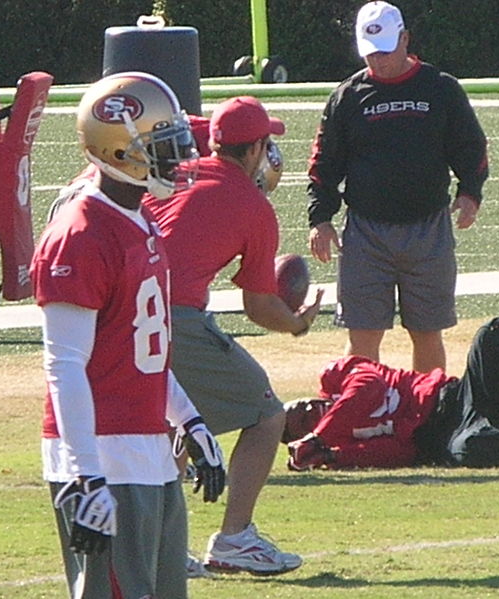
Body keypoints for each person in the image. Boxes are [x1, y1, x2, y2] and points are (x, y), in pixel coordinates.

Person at [31, 71, 226, 599]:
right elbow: (64, 364)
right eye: (165, 147)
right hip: (105, 453)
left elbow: (143, 351)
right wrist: (84, 473)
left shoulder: (140, 220)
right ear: (119, 150)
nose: (180, 159)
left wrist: (188, 418)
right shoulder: (81, 232)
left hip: (146, 447)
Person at [144, 96, 323, 575]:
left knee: (175, 423)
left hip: (128, 311)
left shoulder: (179, 172)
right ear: (255, 150)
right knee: (266, 413)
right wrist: (297, 322)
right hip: (175, 316)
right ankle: (234, 539)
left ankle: (163, 545)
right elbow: (260, 306)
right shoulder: (253, 206)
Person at [306, 1, 489, 373]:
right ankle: (363, 416)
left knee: (426, 332)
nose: (378, 61)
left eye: (386, 50)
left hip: (428, 228)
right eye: (370, 53)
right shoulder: (348, 97)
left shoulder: (441, 89)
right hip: (365, 234)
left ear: (405, 39)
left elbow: (471, 147)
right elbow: (323, 164)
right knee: (362, 336)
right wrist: (320, 218)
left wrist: (470, 193)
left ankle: (428, 417)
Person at [283, 317, 499, 471]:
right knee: (469, 448)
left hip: (462, 395)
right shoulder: (341, 449)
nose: (310, 407)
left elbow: (367, 387)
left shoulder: (336, 375)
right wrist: (329, 453)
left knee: (495, 333)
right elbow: (401, 452)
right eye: (303, 419)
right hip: (447, 434)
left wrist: (319, 435)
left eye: (300, 405)